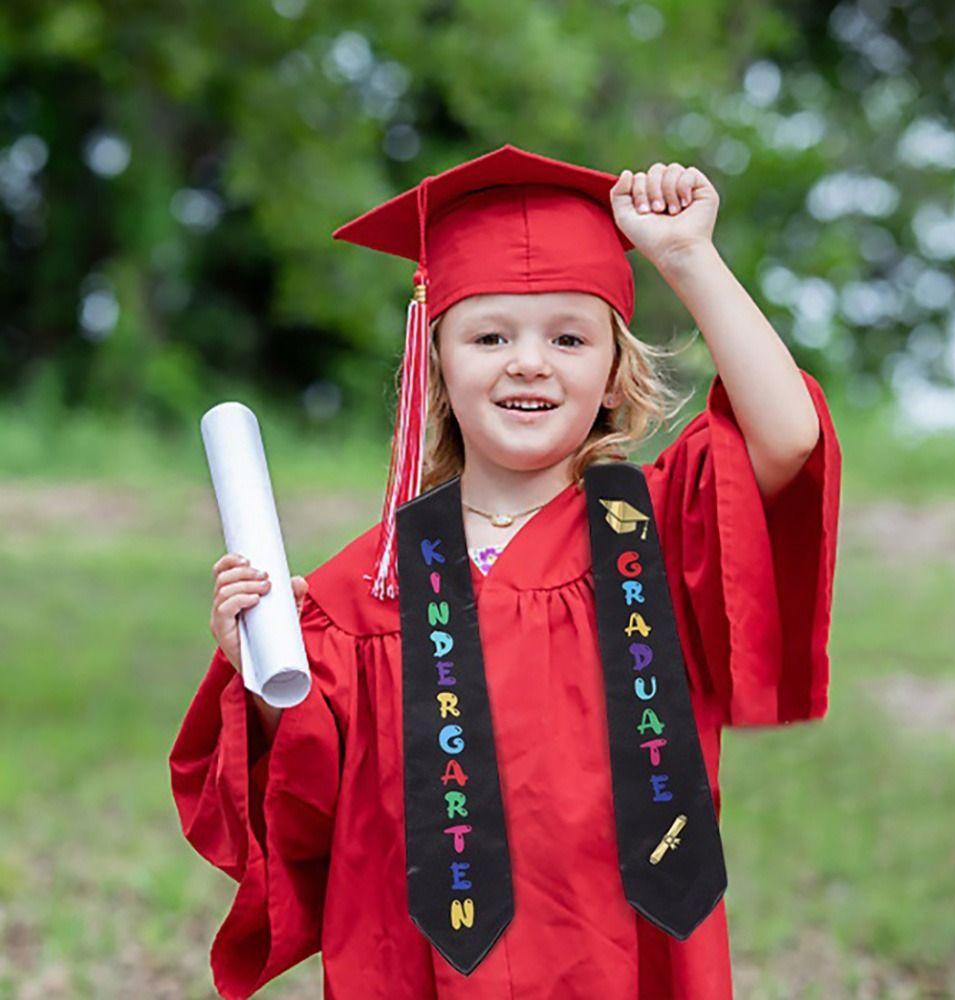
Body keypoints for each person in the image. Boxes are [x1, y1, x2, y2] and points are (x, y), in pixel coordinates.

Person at [170, 144, 841, 999]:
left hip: (620, 954)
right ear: (438, 367)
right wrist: (258, 669)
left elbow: (785, 438)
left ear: (611, 374)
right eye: (490, 336)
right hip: (429, 966)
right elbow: (310, 799)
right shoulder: (364, 592)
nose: (529, 361)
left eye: (569, 336)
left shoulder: (658, 534)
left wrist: (688, 258)